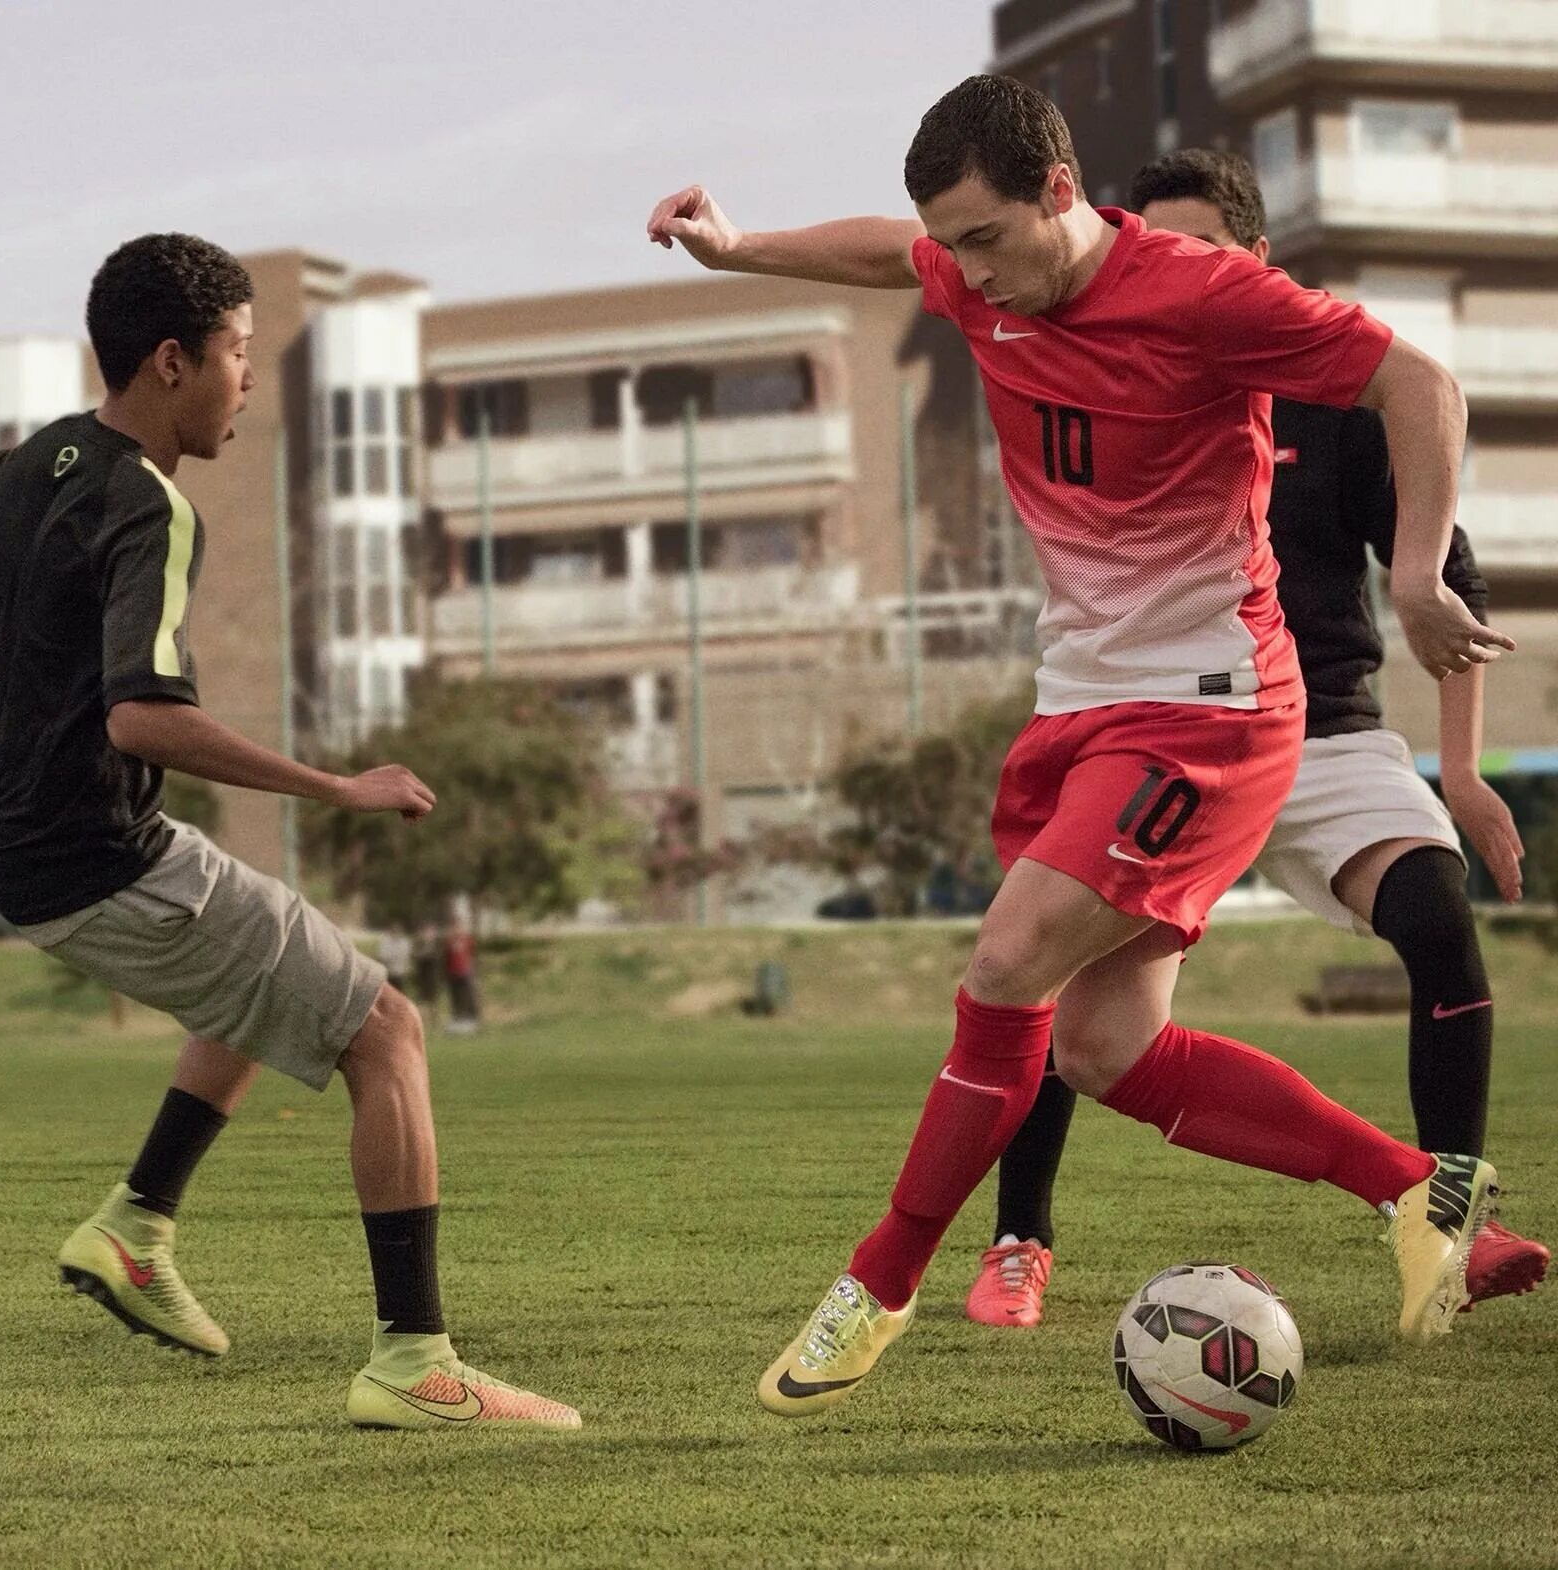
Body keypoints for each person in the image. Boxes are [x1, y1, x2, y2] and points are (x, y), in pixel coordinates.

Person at [647, 75, 1513, 1420]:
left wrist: (1413, 571)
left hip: (1209, 709)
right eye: (958, 246)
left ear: (1062, 193)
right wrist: (741, 247)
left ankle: (880, 1281)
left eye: (989, 239)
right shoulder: (977, 269)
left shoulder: (1202, 292)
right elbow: (897, 253)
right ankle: (1421, 1191)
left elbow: (1421, 379)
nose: (969, 272)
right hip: (1082, 705)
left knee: (1004, 965)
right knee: (1107, 1049)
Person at [0, 233, 578, 1431]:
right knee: (386, 1029)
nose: (247, 379)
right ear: (171, 362)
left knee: (264, 981)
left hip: (34, 848)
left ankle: (134, 1225)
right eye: (237, 353)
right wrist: (337, 786)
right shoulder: (150, 508)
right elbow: (142, 718)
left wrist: (28, 603)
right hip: (94, 856)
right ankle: (414, 1360)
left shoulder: (38, 462)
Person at [965, 149, 1549, 1329]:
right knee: (1042, 981)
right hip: (1164, 737)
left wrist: (1462, 775)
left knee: (1439, 927)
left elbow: (1450, 587)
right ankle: (1018, 1240)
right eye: (1159, 254)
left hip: (1323, 735)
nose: (1178, 278)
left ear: (1256, 266)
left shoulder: (1339, 401)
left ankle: (1443, 1231)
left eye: (1204, 256)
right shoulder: (1106, 366)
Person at [443, 921, 481, 1034]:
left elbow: (473, 955)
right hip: (452, 973)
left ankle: (470, 1020)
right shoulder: (449, 941)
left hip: (465, 972)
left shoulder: (467, 939)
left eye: (458, 927)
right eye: (455, 927)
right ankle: (457, 1019)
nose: (457, 929)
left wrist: (474, 971)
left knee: (467, 996)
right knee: (455, 998)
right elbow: (446, 958)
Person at [378, 926, 415, 996]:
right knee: (388, 992)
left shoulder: (404, 942)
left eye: (397, 931)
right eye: (393, 931)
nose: (395, 932)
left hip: (399, 971)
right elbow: (383, 956)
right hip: (389, 971)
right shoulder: (386, 942)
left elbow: (406, 955)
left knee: (399, 991)